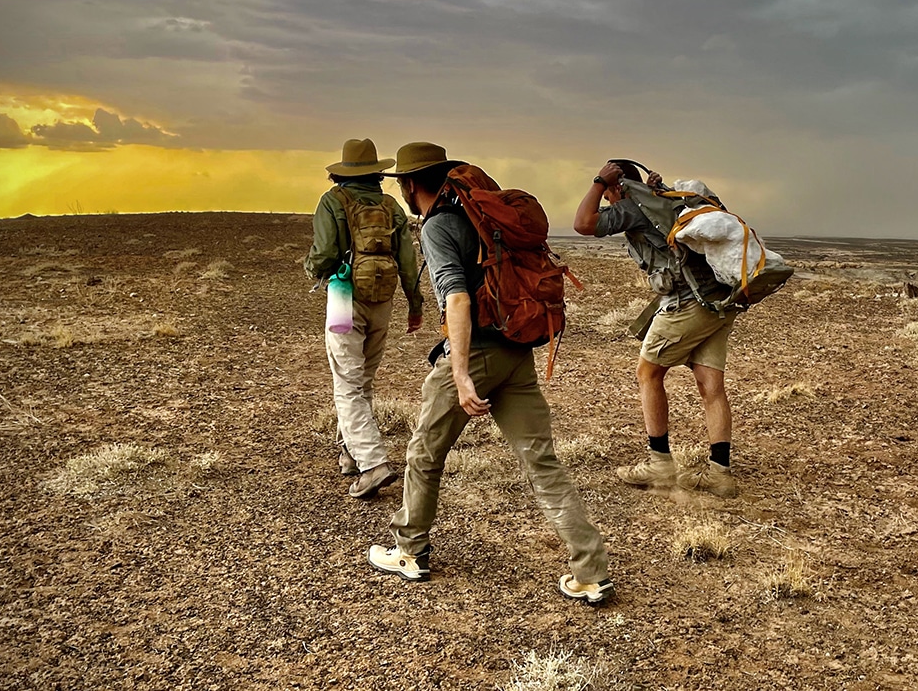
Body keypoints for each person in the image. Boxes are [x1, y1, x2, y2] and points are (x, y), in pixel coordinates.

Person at [367, 141, 614, 604]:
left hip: (477, 352)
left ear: (410, 184)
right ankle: (590, 570)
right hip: (516, 352)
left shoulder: (439, 226)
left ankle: (409, 551)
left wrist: (459, 374)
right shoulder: (484, 221)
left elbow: (457, 300)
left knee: (423, 454)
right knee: (542, 462)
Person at [572, 160, 739, 498]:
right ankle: (720, 473)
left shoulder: (632, 208)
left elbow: (582, 224)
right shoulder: (660, 201)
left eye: (608, 194)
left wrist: (598, 181)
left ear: (617, 187)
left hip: (688, 303)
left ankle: (659, 462)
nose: (606, 201)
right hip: (718, 301)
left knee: (648, 373)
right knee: (711, 385)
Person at [304, 138, 425, 499]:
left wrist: (312, 269)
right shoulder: (391, 206)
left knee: (347, 382)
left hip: (344, 297)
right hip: (382, 298)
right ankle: (350, 454)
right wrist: (415, 305)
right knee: (363, 379)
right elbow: (408, 263)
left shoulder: (332, 202)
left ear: (343, 172)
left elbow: (324, 254)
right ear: (376, 172)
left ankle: (373, 464)